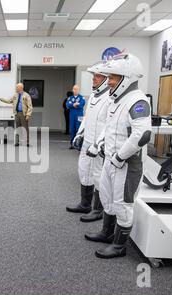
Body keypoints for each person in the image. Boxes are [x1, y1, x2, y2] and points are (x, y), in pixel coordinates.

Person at [84, 53, 152, 259]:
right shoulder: (116, 100)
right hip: (110, 160)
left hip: (126, 164)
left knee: (123, 204)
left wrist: (120, 157)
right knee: (107, 197)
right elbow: (109, 128)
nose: (109, 81)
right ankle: (107, 232)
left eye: (113, 77)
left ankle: (119, 246)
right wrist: (101, 144)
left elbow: (142, 135)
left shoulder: (138, 101)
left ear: (126, 78)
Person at [66, 61, 110, 223]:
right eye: (94, 76)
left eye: (98, 76)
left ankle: (98, 209)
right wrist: (79, 134)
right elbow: (87, 118)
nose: (94, 79)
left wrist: (99, 144)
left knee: (98, 175)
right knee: (83, 170)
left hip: (98, 145)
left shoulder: (110, 98)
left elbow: (109, 125)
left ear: (106, 78)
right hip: (87, 140)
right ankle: (85, 204)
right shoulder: (93, 96)